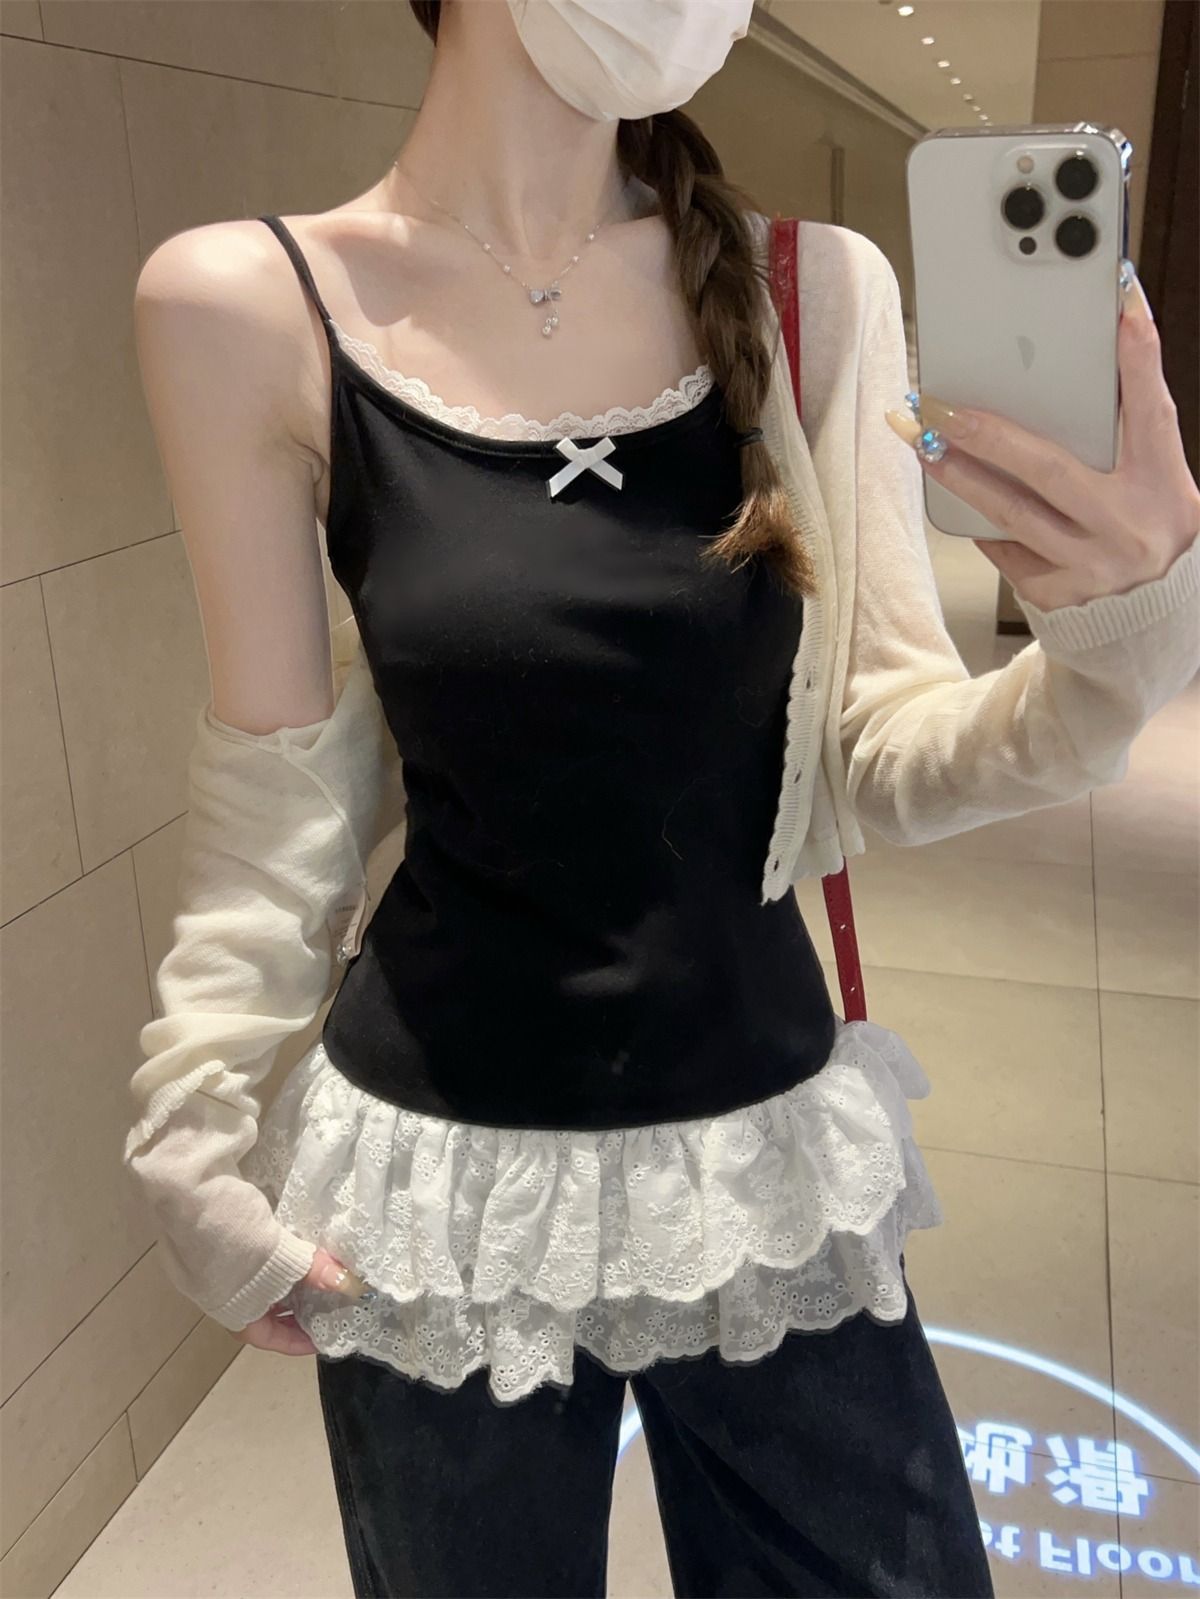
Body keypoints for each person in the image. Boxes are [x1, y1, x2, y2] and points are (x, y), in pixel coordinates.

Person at [122, 2, 1200, 1595]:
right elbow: (283, 793)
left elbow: (879, 751)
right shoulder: (246, 302)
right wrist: (194, 1124)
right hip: (437, 1187)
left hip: (763, 1162)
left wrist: (1124, 638)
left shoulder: (813, 289)